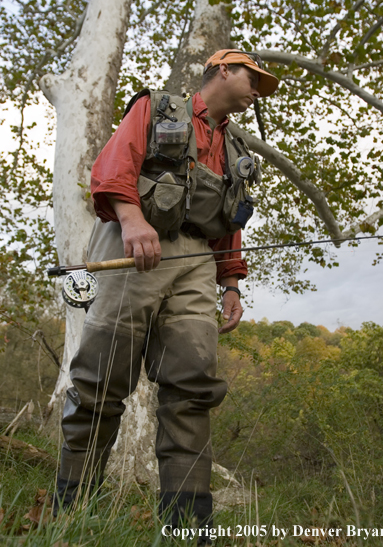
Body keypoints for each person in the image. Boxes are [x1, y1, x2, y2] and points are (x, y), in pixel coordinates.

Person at [53, 49, 278, 542]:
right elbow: (111, 169)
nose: (257, 90)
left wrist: (232, 283)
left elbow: (230, 221)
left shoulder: (237, 146)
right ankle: (71, 509)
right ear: (223, 70)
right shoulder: (157, 109)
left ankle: (187, 525)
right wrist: (133, 222)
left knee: (191, 387)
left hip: (198, 263)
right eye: (252, 78)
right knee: (100, 379)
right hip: (134, 249)